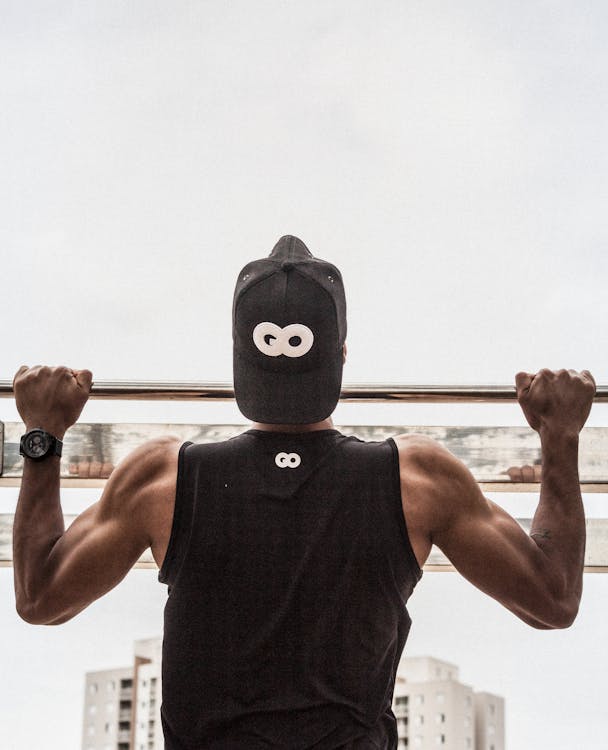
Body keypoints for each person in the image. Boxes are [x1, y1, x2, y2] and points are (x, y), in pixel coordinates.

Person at [12, 235, 596, 750]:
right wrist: (559, 437)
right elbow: (553, 600)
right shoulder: (419, 478)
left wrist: (43, 434)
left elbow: (41, 598)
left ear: (240, 357)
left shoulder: (160, 478)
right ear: (341, 354)